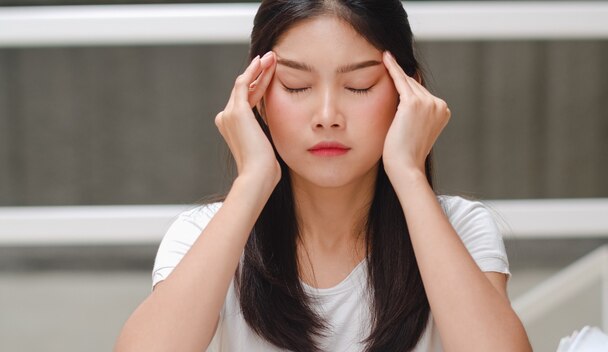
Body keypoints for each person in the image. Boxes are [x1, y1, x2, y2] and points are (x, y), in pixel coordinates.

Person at [115, 0, 532, 351]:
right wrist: (252, 182)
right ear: (256, 96)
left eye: (359, 85)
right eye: (297, 86)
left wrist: (408, 172)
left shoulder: (460, 228)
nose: (328, 117)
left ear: (410, 95)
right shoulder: (203, 233)